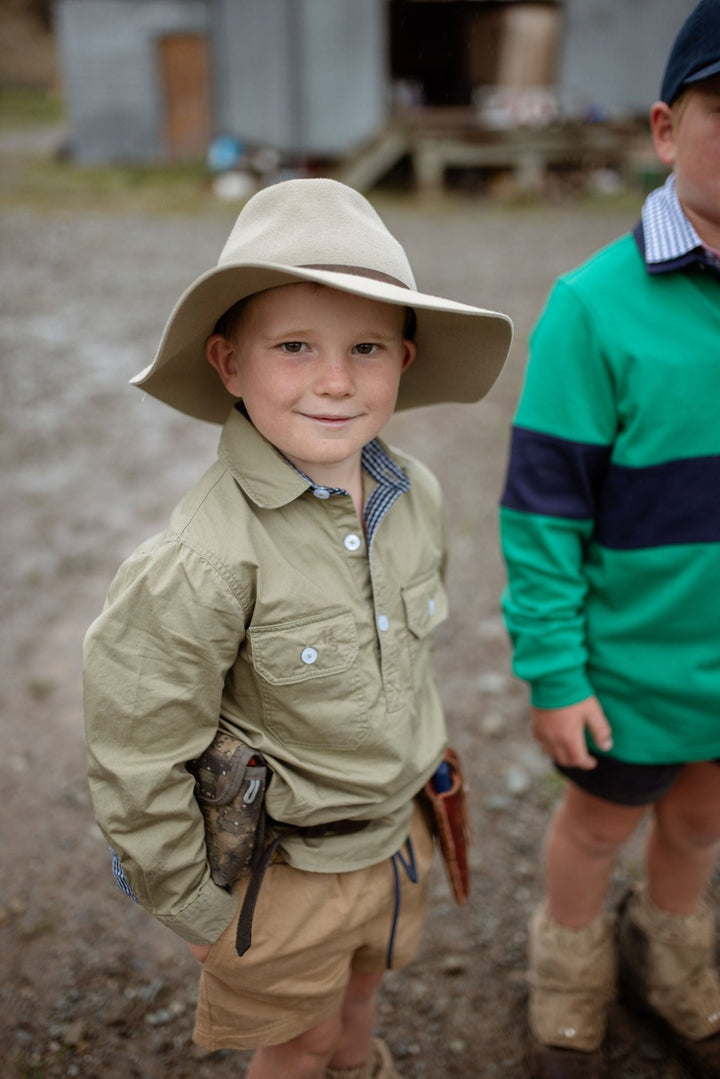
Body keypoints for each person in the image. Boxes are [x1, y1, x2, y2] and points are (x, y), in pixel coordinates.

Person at [84, 177, 512, 1079]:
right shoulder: (203, 557)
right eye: (293, 346)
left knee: (358, 1006)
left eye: (366, 347)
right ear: (229, 364)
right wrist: (194, 910)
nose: (335, 379)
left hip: (392, 841)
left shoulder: (419, 497)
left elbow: (410, 662)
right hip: (282, 875)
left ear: (404, 358)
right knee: (298, 1041)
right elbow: (137, 748)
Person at [499, 2, 720, 1076]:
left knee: (701, 821)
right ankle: (570, 969)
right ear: (666, 131)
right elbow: (543, 511)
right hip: (627, 668)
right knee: (594, 829)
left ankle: (668, 954)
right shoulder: (592, 307)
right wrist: (553, 671)